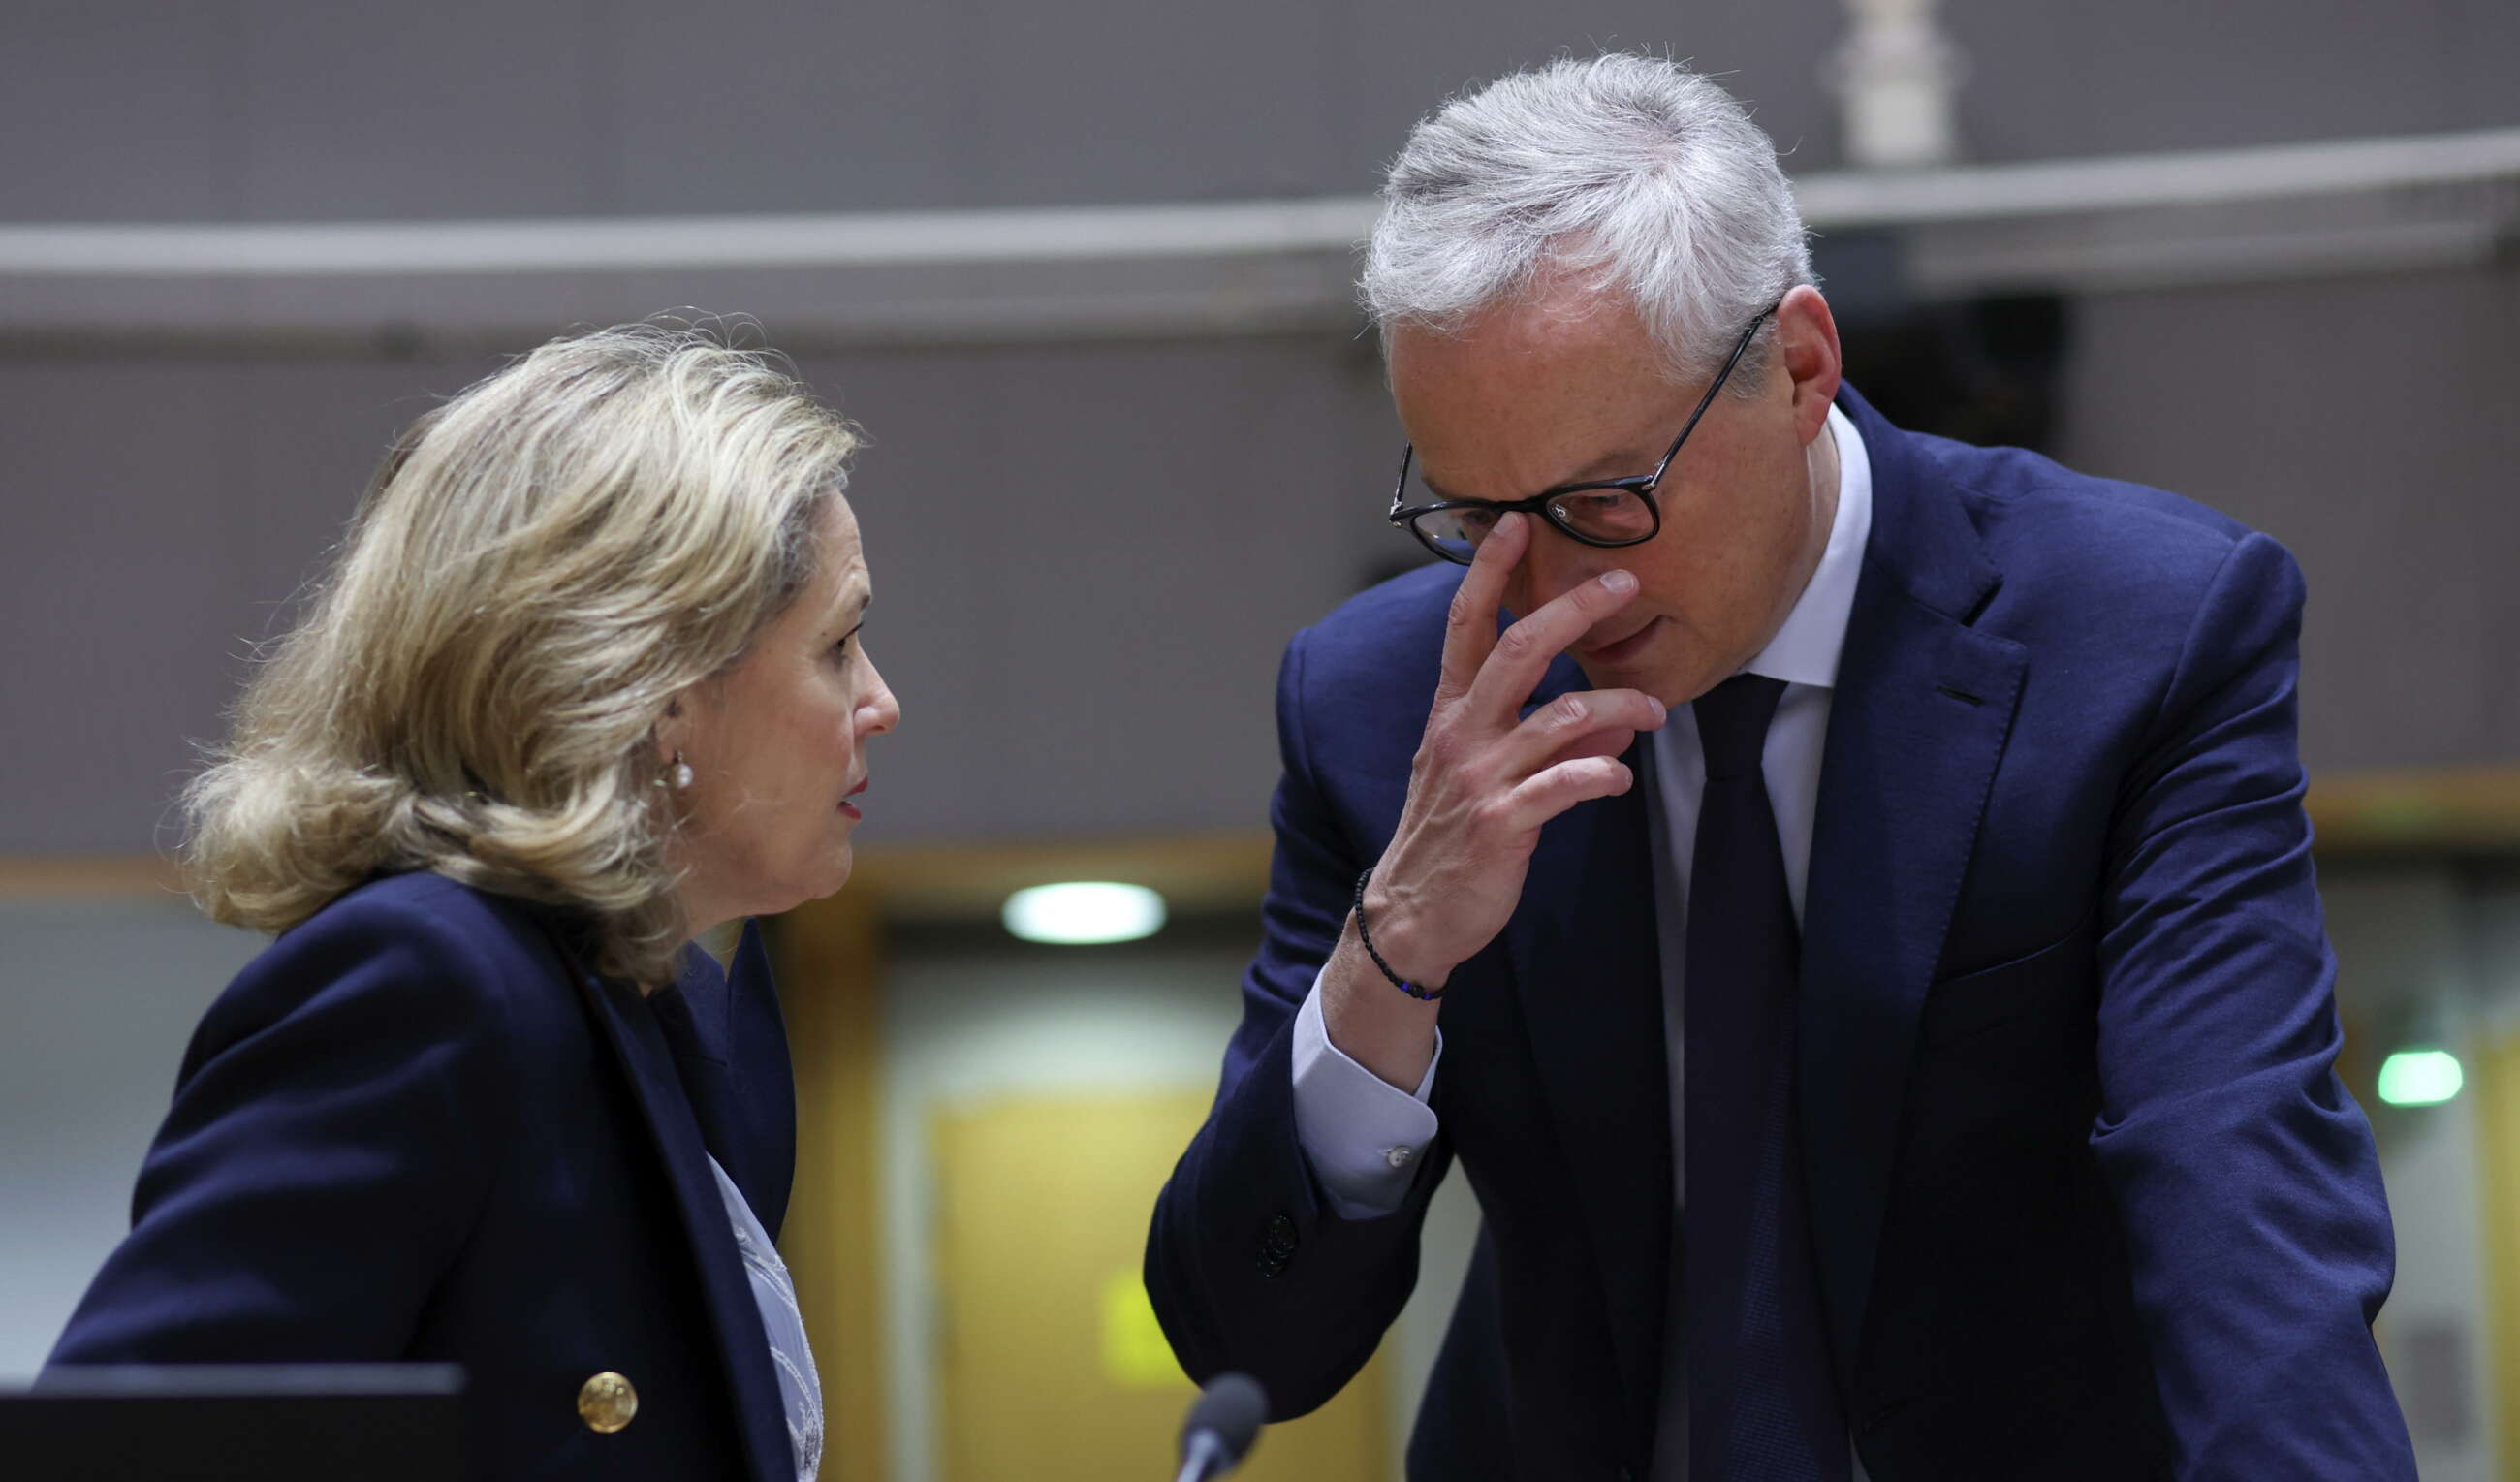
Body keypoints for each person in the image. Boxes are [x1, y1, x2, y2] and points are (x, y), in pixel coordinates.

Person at [1145, 54, 2413, 1481]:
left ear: (1801, 368)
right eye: (1476, 512)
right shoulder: (1390, 708)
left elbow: (2236, 1185)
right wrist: (1393, 956)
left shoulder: (2140, 637)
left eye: (1601, 502)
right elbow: (1246, 1337)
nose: (1552, 592)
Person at [47, 321, 899, 1482]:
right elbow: (125, 1454)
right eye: (840, 643)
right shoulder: (432, 978)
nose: (880, 701)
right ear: (654, 684)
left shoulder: (675, 1012)